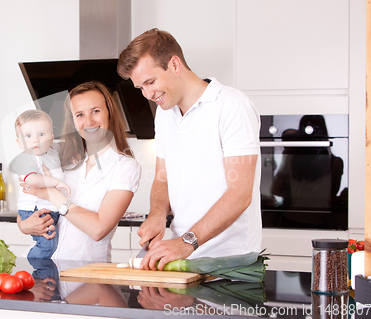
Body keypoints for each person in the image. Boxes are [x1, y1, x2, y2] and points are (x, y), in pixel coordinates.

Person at [117, 28, 262, 270]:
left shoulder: (232, 106)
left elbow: (240, 194)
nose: (148, 94)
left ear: (174, 64)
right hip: (180, 258)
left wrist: (187, 242)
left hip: (230, 262)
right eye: (140, 88)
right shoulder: (165, 115)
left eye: (150, 82)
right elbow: (163, 178)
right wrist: (157, 214)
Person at [16, 81, 141, 262]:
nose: (89, 121)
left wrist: (52, 194)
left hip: (86, 276)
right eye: (80, 114)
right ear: (74, 122)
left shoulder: (125, 166)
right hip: (41, 267)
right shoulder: (60, 154)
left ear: (110, 113)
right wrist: (24, 226)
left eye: (96, 111)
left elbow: (98, 229)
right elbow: (27, 201)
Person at [10, 109, 70, 259]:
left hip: (50, 208)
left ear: (51, 138)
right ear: (19, 142)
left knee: (52, 243)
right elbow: (32, 180)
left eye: (41, 134)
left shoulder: (51, 149)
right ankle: (34, 267)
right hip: (34, 210)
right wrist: (56, 182)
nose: (35, 140)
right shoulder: (25, 159)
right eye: (28, 136)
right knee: (48, 245)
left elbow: (64, 145)